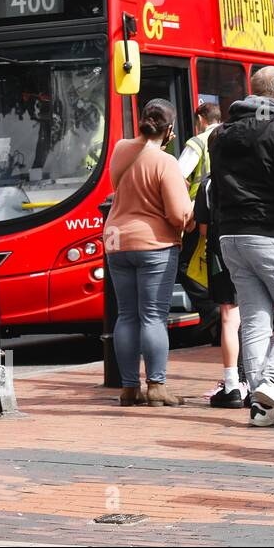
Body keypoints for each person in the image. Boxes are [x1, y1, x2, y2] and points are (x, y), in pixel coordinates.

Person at [212, 66, 274, 427]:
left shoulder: (220, 135)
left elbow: (215, 190)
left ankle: (261, 407)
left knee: (254, 317)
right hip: (269, 232)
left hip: (231, 236)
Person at [102, 98, 194, 408]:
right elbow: (179, 215)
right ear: (169, 131)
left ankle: (129, 388)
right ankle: (156, 386)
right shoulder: (166, 162)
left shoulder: (119, 149)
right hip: (154, 244)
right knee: (153, 316)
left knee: (127, 314)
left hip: (117, 241)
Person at [194, 171, 246, 409]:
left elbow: (203, 229)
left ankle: (232, 383)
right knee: (254, 314)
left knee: (228, 317)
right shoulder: (252, 173)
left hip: (220, 253)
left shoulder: (208, 182)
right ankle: (253, 383)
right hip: (252, 249)